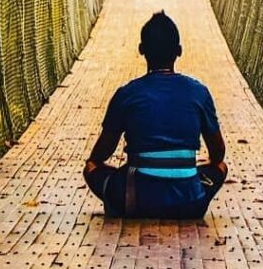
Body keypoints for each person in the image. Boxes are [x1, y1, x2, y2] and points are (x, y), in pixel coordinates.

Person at [83, 12, 227, 219]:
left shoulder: (127, 94)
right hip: (190, 203)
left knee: (91, 168)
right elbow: (218, 155)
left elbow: (101, 154)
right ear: (179, 51)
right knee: (220, 168)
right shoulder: (199, 92)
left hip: (135, 201)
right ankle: (187, 193)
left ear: (142, 50)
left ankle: (122, 202)